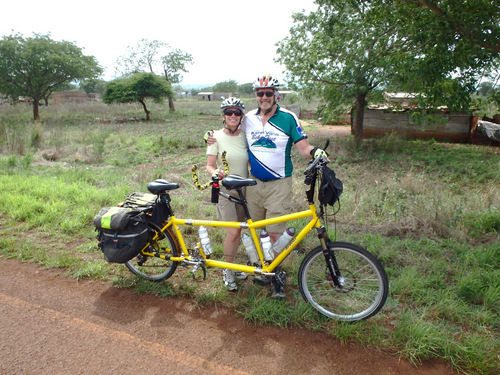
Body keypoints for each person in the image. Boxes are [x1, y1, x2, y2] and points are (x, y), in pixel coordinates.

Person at [207, 74, 327, 300]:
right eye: (260, 93)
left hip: (279, 184)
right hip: (253, 184)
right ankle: (263, 268)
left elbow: (303, 147)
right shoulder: (248, 118)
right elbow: (229, 125)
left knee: (274, 234)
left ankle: (276, 278)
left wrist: (315, 152)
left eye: (268, 93)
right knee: (257, 231)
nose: (264, 97)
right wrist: (209, 136)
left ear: (276, 95)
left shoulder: (289, 118)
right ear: (256, 96)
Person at [206, 97, 249, 292]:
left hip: (245, 188)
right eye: (229, 113)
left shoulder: (246, 135)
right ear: (223, 116)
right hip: (225, 189)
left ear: (241, 116)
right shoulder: (214, 136)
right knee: (232, 231)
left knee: (240, 229)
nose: (233, 116)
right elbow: (209, 165)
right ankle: (227, 271)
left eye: (237, 113)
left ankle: (232, 265)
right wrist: (215, 173)